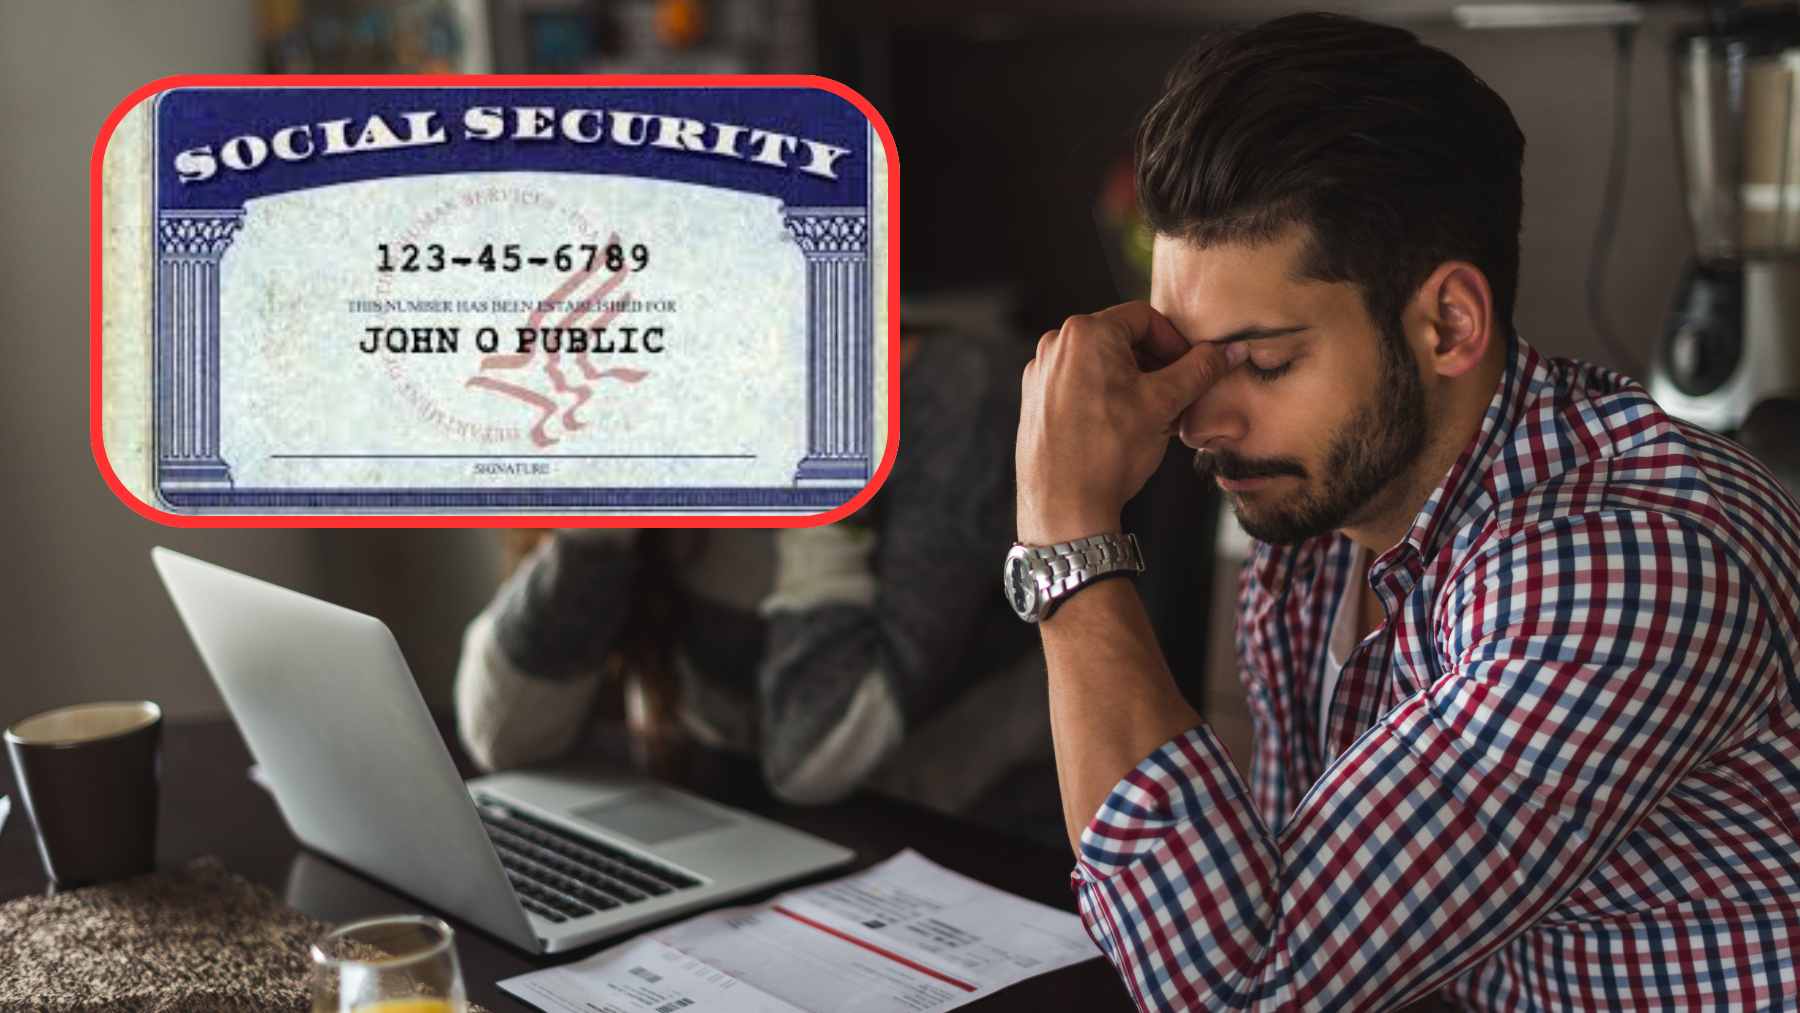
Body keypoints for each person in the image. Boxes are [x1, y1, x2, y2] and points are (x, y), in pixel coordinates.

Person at [1013, 13, 1800, 1011]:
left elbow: (1245, 984)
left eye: (1261, 360)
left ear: (1448, 324)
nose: (1202, 420)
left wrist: (1067, 539)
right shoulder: (1312, 527)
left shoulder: (1622, 562)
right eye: (1185, 356)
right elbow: (1291, 914)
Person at [454, 326, 1057, 835]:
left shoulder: (946, 398)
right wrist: (599, 523)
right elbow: (503, 736)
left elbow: (815, 763)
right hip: (760, 835)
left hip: (964, 844)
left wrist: (819, 486)